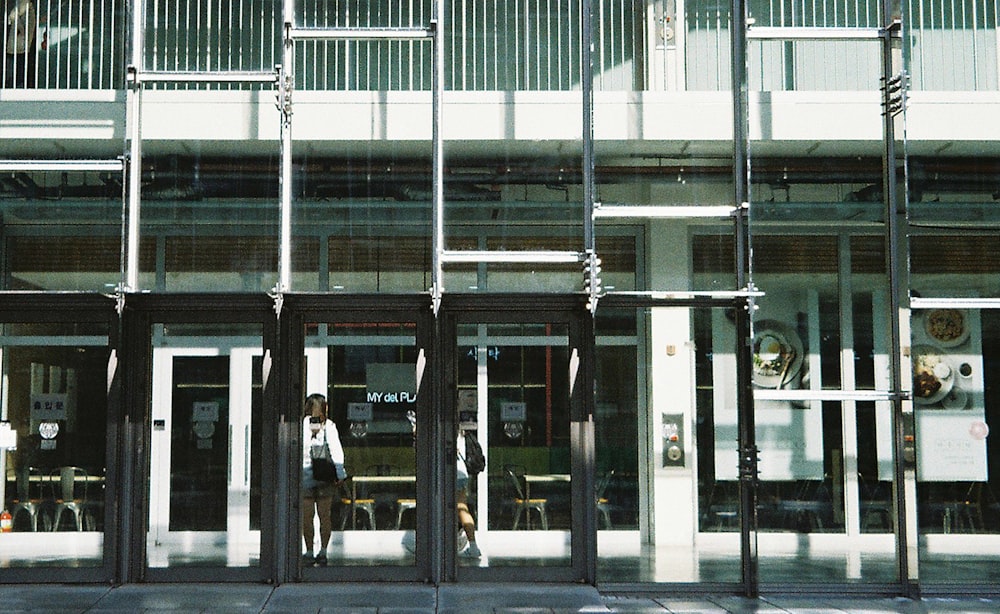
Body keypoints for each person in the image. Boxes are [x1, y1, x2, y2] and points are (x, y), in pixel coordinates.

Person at [301, 393, 346, 566]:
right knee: (324, 516)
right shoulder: (329, 426)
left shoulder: (302, 425)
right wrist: (340, 474)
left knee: (307, 517)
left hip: (306, 476)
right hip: (325, 477)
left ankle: (310, 550)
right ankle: (323, 551)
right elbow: (336, 451)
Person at [456, 428, 482, 558]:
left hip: (452, 473)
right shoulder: (461, 432)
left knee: (460, 508)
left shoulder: (445, 432)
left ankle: (472, 546)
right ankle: (471, 545)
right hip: (461, 474)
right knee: (461, 508)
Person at [4, 0, 36, 88]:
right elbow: (13, 16)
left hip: (22, 45)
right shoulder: (25, 3)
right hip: (19, 45)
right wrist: (22, 30)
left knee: (20, 71)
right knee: (19, 72)